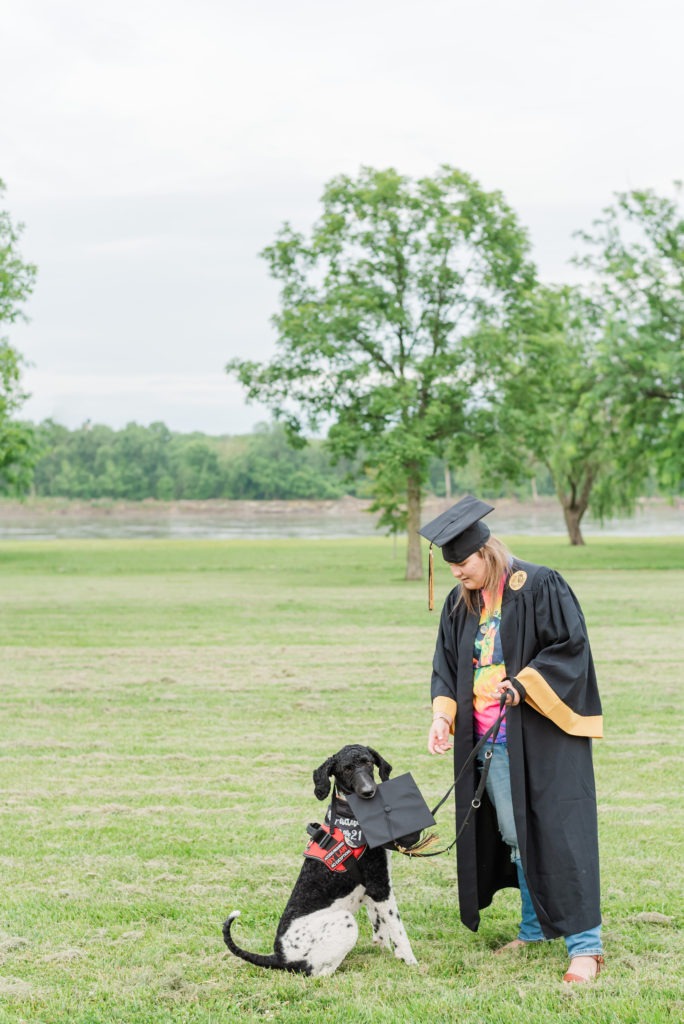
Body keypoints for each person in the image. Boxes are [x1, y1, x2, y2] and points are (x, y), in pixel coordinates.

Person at [420, 495, 604, 984]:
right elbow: (447, 666)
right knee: (516, 838)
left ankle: (586, 948)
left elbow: (571, 648)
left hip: (540, 738)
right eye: (452, 566)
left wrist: (523, 684)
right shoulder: (464, 603)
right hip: (488, 742)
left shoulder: (539, 585)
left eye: (463, 564)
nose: (457, 573)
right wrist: (443, 716)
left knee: (558, 836)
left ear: (487, 552)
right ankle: (532, 928)